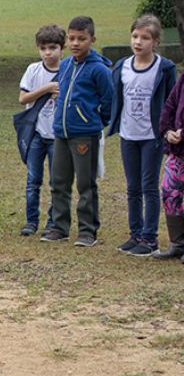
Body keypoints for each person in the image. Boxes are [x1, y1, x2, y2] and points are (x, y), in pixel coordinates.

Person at [42, 15, 114, 247]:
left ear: (92, 39)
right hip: (61, 132)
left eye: (81, 39)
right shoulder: (64, 65)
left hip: (85, 134)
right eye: (71, 38)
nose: (75, 43)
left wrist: (93, 122)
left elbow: (109, 101)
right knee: (59, 182)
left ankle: (87, 231)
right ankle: (59, 227)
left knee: (85, 184)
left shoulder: (99, 70)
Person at [108, 14, 177, 257]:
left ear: (155, 41)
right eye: (135, 36)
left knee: (149, 187)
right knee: (132, 187)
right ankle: (135, 234)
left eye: (145, 38)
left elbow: (173, 102)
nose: (138, 42)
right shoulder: (122, 66)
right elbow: (116, 98)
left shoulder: (164, 68)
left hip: (152, 137)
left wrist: (169, 130)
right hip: (129, 135)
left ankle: (150, 238)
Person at [16, 24, 65, 236]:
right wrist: (46, 89)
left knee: (57, 181)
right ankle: (31, 221)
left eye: (53, 47)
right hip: (36, 133)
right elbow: (23, 98)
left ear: (62, 48)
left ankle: (54, 222)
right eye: (43, 48)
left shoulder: (68, 70)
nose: (48, 52)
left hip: (57, 136)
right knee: (33, 179)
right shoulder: (33, 70)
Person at [155, 69, 184, 263]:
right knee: (170, 192)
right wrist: (167, 131)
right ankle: (178, 243)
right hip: (178, 150)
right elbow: (170, 105)